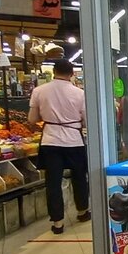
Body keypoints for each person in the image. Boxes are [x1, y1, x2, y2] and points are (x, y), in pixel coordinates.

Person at [28, 59, 90, 234]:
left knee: (53, 182)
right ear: (72, 74)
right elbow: (86, 121)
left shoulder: (39, 91)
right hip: (74, 141)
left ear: (53, 72)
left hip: (50, 141)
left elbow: (32, 119)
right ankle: (82, 211)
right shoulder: (80, 93)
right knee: (79, 177)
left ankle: (58, 223)